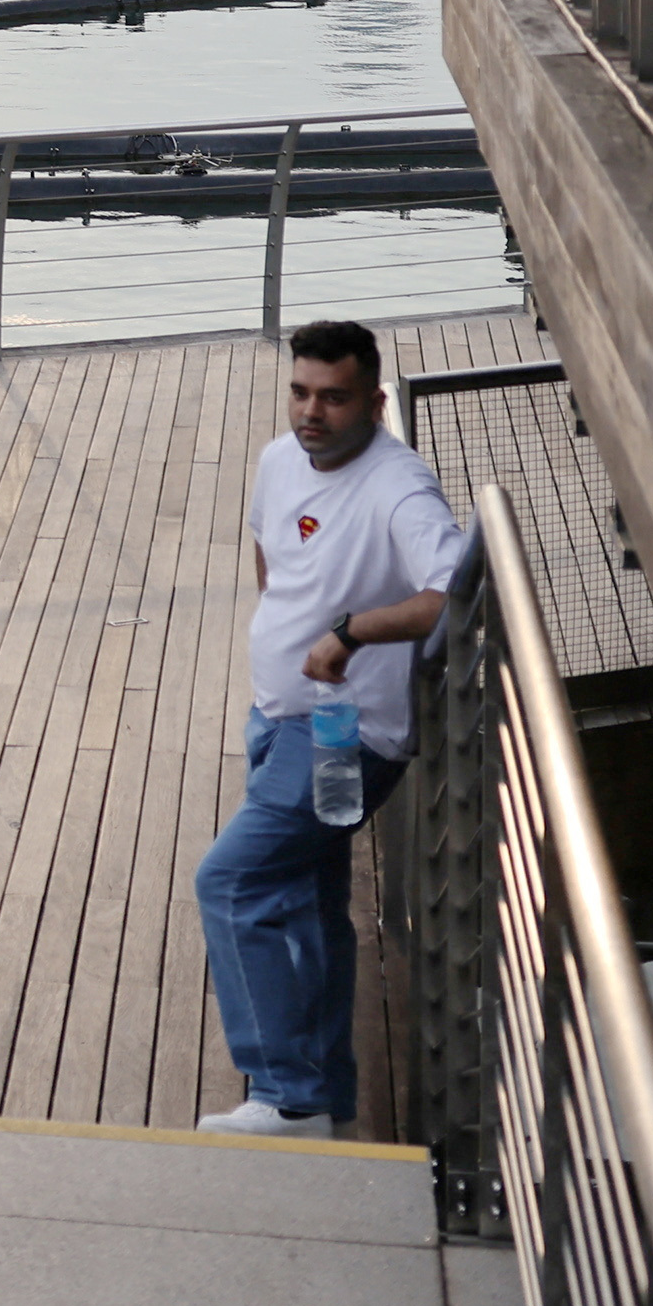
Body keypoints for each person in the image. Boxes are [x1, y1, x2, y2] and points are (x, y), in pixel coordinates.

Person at [193, 318, 466, 1139]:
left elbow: (452, 593)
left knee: (232, 882)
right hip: (279, 718)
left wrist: (350, 632)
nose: (313, 411)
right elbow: (270, 556)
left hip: (345, 736)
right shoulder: (282, 460)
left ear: (373, 400)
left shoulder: (398, 487)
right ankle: (319, 1093)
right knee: (307, 899)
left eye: (334, 397)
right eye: (301, 392)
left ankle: (288, 1092)